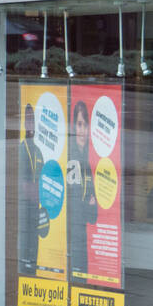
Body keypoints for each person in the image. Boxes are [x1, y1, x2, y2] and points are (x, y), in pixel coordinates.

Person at [67, 100, 97, 280]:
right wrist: (89, 203)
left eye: (86, 125)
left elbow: (93, 216)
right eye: (79, 124)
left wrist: (89, 203)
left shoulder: (87, 158)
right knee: (78, 277)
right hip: (75, 239)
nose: (83, 131)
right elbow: (75, 207)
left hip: (84, 240)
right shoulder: (73, 158)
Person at [17, 104, 41, 274]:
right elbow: (24, 184)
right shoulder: (22, 148)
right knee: (27, 239)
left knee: (35, 240)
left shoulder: (38, 150)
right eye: (28, 120)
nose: (31, 124)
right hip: (27, 206)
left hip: (37, 206)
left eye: (33, 120)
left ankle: (32, 266)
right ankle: (26, 267)